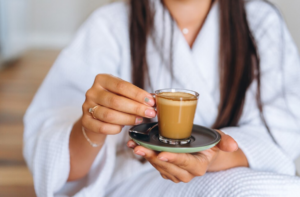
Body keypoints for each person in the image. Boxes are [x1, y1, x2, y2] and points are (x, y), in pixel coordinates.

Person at [24, 0, 300, 196]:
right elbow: (59, 168)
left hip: (232, 171)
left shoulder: (260, 22)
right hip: (136, 182)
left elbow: (283, 134)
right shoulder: (108, 26)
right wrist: (91, 127)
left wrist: (210, 158)